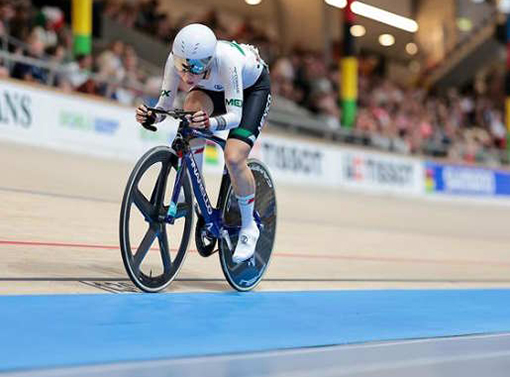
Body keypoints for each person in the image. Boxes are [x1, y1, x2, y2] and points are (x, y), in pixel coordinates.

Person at [135, 23, 271, 263]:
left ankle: (249, 227)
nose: (186, 75)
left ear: (208, 60)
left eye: (195, 67)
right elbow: (164, 107)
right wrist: (152, 115)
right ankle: (194, 192)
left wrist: (210, 123)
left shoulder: (227, 62)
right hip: (213, 90)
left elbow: (234, 117)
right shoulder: (177, 60)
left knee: (234, 156)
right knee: (190, 110)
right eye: (181, 66)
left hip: (250, 91)